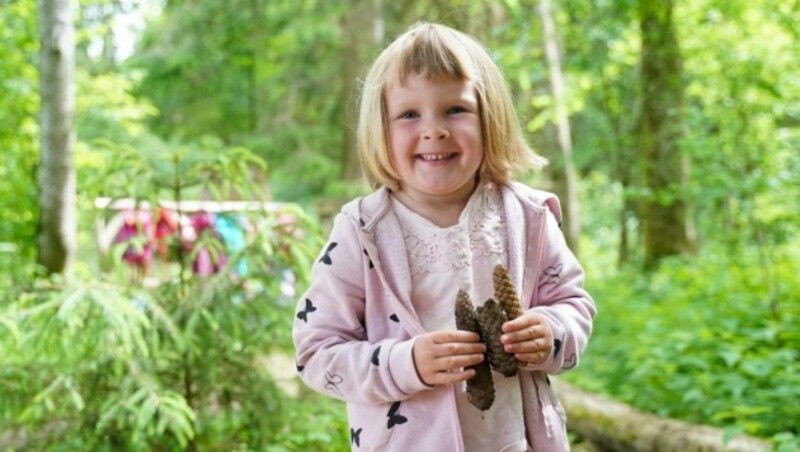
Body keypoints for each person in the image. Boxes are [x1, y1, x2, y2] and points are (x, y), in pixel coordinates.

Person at [293, 22, 595, 452]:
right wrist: (406, 362)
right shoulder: (362, 233)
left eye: (455, 109)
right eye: (409, 114)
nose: (434, 129)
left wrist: (551, 331)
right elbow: (316, 351)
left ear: (489, 116)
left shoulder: (528, 218)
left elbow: (573, 302)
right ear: (382, 128)